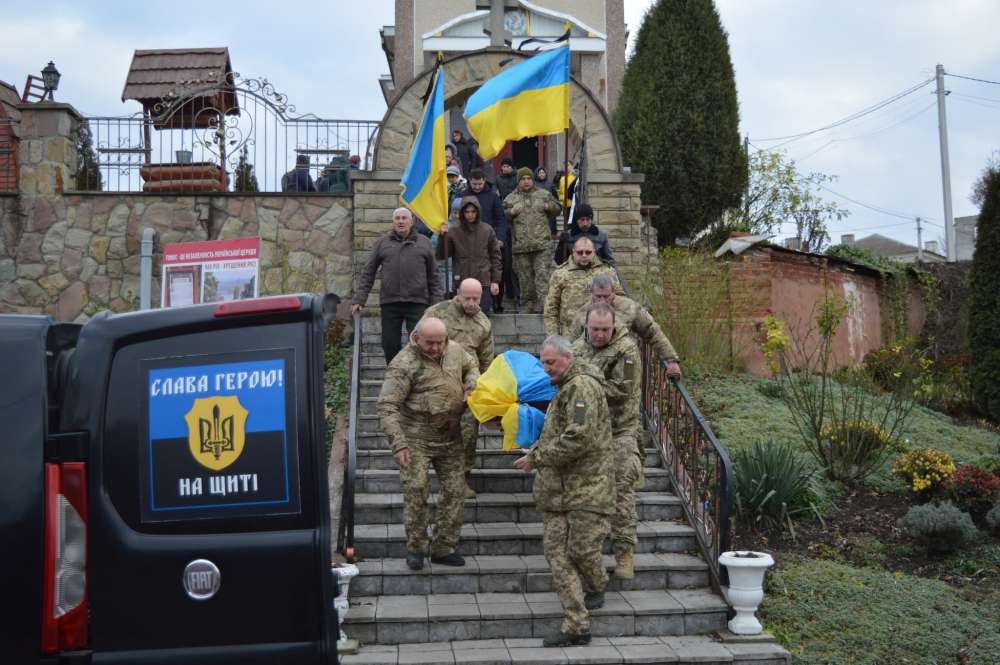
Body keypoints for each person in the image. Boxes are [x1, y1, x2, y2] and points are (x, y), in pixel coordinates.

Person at [513, 336, 614, 647]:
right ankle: (577, 625)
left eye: (551, 362)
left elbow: (578, 438)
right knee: (557, 555)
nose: (546, 369)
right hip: (558, 491)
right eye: (543, 362)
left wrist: (538, 458)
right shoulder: (564, 386)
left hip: (587, 489)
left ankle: (597, 583)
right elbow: (558, 432)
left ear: (568, 358)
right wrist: (536, 449)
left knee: (581, 551)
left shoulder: (581, 387)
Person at [377, 317, 480, 571]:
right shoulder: (403, 364)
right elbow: (387, 406)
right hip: (416, 439)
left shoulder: (455, 350)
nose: (435, 348)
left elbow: (472, 365)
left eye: (440, 342)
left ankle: (444, 547)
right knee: (416, 489)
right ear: (416, 338)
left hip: (451, 436)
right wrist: (398, 444)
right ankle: (416, 548)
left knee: (455, 491)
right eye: (430, 343)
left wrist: (471, 385)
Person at [571, 303, 643, 579]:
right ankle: (587, 554)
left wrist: (586, 384)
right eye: (595, 329)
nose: (600, 334)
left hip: (620, 430)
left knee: (621, 491)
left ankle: (624, 552)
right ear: (587, 326)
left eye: (605, 329)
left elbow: (623, 389)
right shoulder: (577, 348)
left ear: (613, 326)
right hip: (588, 432)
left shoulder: (626, 350)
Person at [422, 278, 495, 498]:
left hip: (469, 387)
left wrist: (484, 389)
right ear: (458, 294)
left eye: (476, 299)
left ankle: (462, 478)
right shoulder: (438, 312)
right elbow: (417, 342)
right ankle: (433, 479)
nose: (471, 303)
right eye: (467, 298)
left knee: (468, 433)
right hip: (438, 382)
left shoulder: (483, 323)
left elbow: (487, 359)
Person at [351, 207, 442, 364]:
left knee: (420, 344)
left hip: (417, 302)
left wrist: (437, 303)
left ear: (411, 222)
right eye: (397, 218)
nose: (401, 221)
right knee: (389, 344)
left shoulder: (424, 243)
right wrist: (360, 299)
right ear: (393, 222)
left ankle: (417, 375)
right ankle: (395, 374)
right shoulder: (382, 243)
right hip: (390, 302)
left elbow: (434, 276)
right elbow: (368, 272)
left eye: (404, 218)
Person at [567, 274, 682, 377]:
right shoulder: (582, 314)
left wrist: (671, 360)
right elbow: (572, 343)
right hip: (593, 369)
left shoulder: (629, 307)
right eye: (598, 296)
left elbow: (652, 331)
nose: (602, 301)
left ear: (613, 292)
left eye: (606, 296)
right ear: (592, 293)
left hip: (624, 363)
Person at [504, 167, 562, 313]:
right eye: (523, 179)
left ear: (532, 180)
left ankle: (544, 305)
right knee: (525, 279)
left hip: (542, 245)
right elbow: (501, 215)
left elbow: (558, 208)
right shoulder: (510, 198)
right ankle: (527, 304)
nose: (526, 181)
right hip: (521, 246)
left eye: (529, 178)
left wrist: (549, 206)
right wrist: (511, 212)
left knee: (542, 276)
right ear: (518, 181)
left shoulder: (544, 194)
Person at [543, 237, 621, 337]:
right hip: (570, 335)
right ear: (573, 252)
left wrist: (616, 331)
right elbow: (550, 309)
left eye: (588, 252)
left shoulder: (608, 272)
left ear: (594, 252)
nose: (584, 255)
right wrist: (554, 337)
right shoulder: (560, 274)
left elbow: (620, 302)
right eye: (580, 252)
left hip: (601, 334)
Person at [437, 196, 501, 312]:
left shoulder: (487, 230)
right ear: (462, 212)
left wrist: (495, 280)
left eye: (473, 211)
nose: (470, 215)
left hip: (483, 280)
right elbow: (442, 255)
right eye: (467, 212)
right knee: (460, 315)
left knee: (482, 315)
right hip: (461, 280)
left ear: (478, 212)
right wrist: (442, 237)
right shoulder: (453, 230)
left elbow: (495, 256)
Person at [494, 158, 519, 310]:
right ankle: (508, 293)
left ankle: (516, 294)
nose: (505, 168)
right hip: (504, 224)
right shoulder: (497, 180)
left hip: (517, 225)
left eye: (508, 166)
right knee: (506, 262)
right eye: (503, 166)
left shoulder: (517, 178)